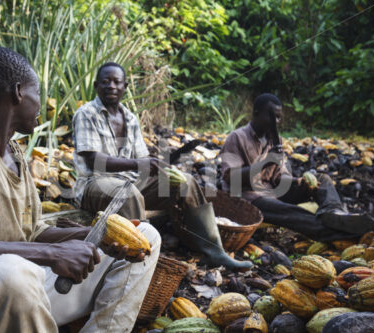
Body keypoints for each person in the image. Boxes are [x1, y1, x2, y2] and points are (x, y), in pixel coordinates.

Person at [0, 47, 161, 333]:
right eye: (37, 93)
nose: (41, 103)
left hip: (23, 292)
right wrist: (51, 255)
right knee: (12, 272)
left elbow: (33, 233)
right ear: (18, 92)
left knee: (147, 234)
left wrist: (99, 235)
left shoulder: (15, 154)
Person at [72, 62, 252, 270]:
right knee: (129, 193)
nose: (111, 86)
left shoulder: (129, 118)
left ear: (125, 86)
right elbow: (95, 160)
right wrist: (141, 164)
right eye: (105, 81)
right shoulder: (86, 114)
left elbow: (142, 158)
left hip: (129, 181)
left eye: (116, 82)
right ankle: (142, 266)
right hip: (95, 184)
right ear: (96, 86)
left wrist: (160, 165)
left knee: (187, 182)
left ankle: (215, 252)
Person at [220, 93, 374, 241]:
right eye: (273, 118)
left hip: (273, 192)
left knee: (323, 179)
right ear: (256, 113)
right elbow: (232, 179)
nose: (277, 123)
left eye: (280, 118)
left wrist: (298, 182)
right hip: (249, 198)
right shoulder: (237, 137)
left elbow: (280, 176)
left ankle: (332, 212)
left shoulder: (276, 139)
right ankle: (344, 234)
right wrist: (264, 163)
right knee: (294, 213)